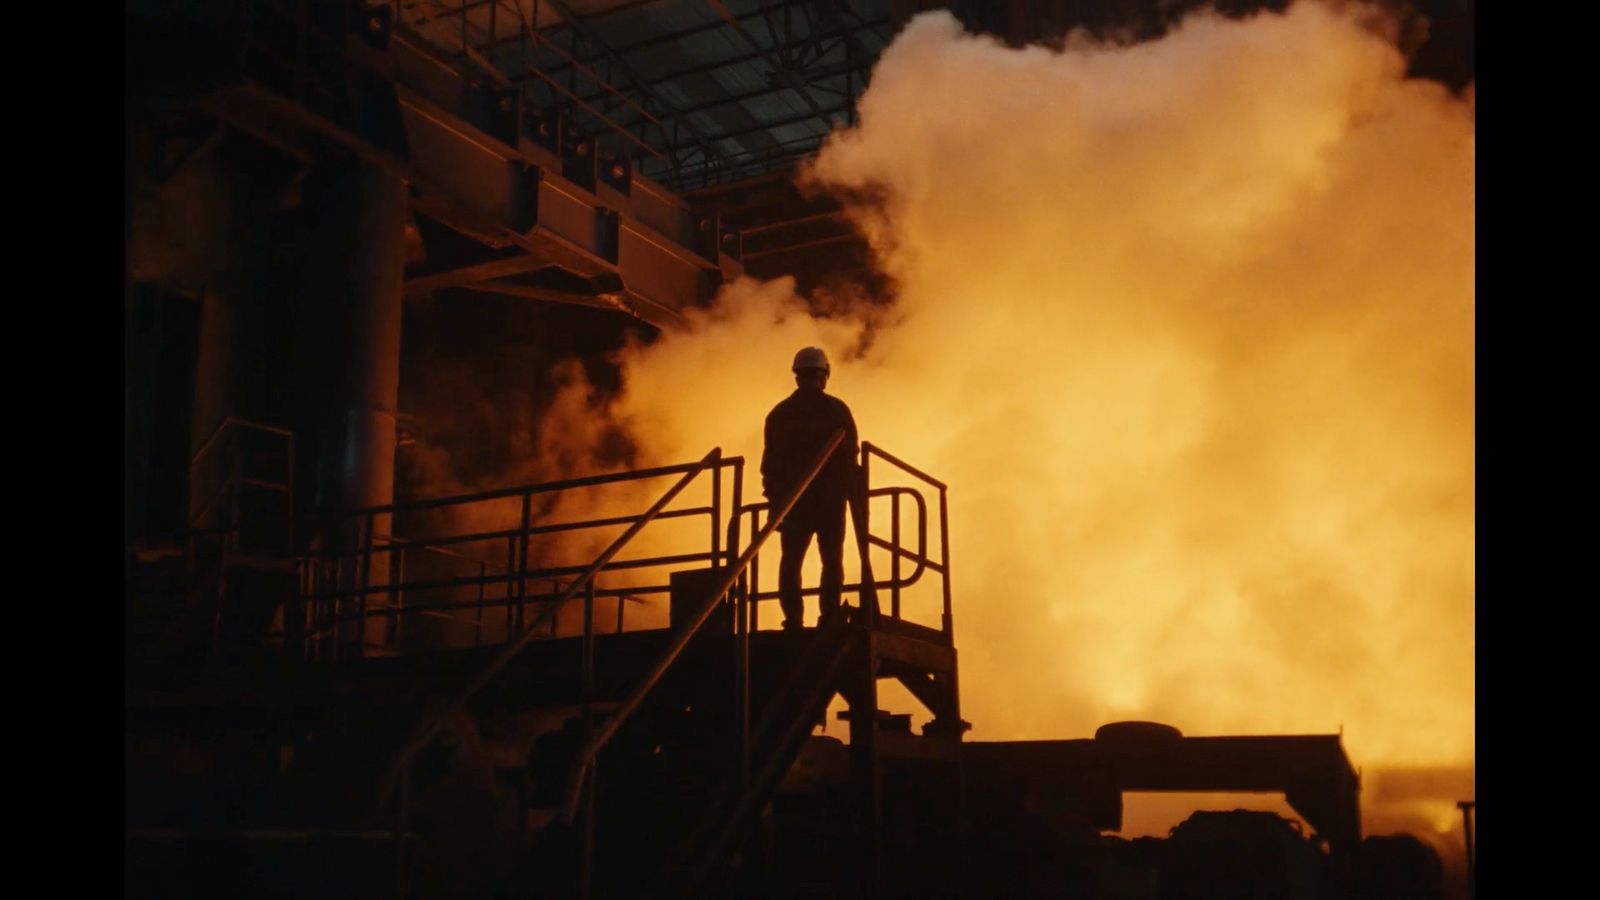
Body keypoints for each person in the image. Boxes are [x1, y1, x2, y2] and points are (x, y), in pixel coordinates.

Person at [761, 347, 860, 630]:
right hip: (829, 501)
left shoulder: (779, 414)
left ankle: (793, 619)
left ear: (797, 376)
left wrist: (774, 503)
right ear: (824, 375)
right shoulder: (836, 410)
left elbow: (770, 464)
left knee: (791, 561)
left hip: (793, 502)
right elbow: (850, 456)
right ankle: (828, 616)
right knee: (831, 559)